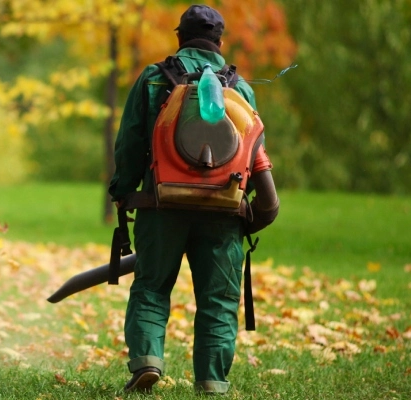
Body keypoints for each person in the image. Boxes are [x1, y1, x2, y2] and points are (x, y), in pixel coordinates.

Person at [107, 4, 280, 395]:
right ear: (219, 43)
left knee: (151, 288)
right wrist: (242, 207)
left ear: (179, 37)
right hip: (223, 211)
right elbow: (255, 153)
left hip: (161, 204)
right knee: (218, 301)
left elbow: (131, 143)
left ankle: (148, 360)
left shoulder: (154, 78)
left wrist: (123, 191)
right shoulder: (241, 88)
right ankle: (212, 381)